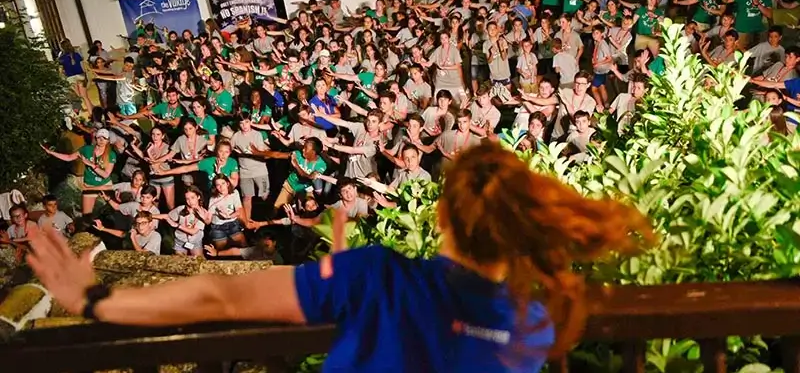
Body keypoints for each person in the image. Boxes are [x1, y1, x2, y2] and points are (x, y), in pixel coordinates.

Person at [26, 142, 654, 372]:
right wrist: (342, 263)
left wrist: (91, 298)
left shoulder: (374, 277)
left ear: (442, 216)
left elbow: (221, 295)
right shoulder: (535, 323)